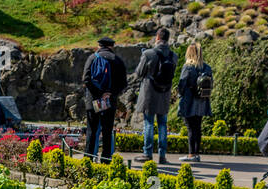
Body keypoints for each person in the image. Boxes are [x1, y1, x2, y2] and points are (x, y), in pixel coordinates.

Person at [82, 36, 129, 163]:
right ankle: (106, 160)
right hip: (109, 101)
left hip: (94, 101)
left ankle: (88, 160)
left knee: (92, 131)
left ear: (99, 45)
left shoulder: (92, 58)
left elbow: (86, 79)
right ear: (111, 46)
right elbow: (123, 83)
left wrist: (98, 94)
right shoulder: (117, 60)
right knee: (107, 131)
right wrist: (110, 94)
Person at [135, 27, 176, 165]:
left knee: (149, 123)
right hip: (164, 94)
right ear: (167, 38)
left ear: (157, 37)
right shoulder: (173, 56)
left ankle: (147, 153)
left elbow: (139, 73)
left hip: (150, 93)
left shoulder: (148, 53)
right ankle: (162, 156)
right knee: (163, 124)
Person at [176, 42, 213, 163]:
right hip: (202, 102)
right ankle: (197, 153)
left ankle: (191, 154)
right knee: (198, 127)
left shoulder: (187, 67)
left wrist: (180, 94)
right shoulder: (207, 68)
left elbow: (182, 85)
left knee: (190, 128)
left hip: (189, 102)